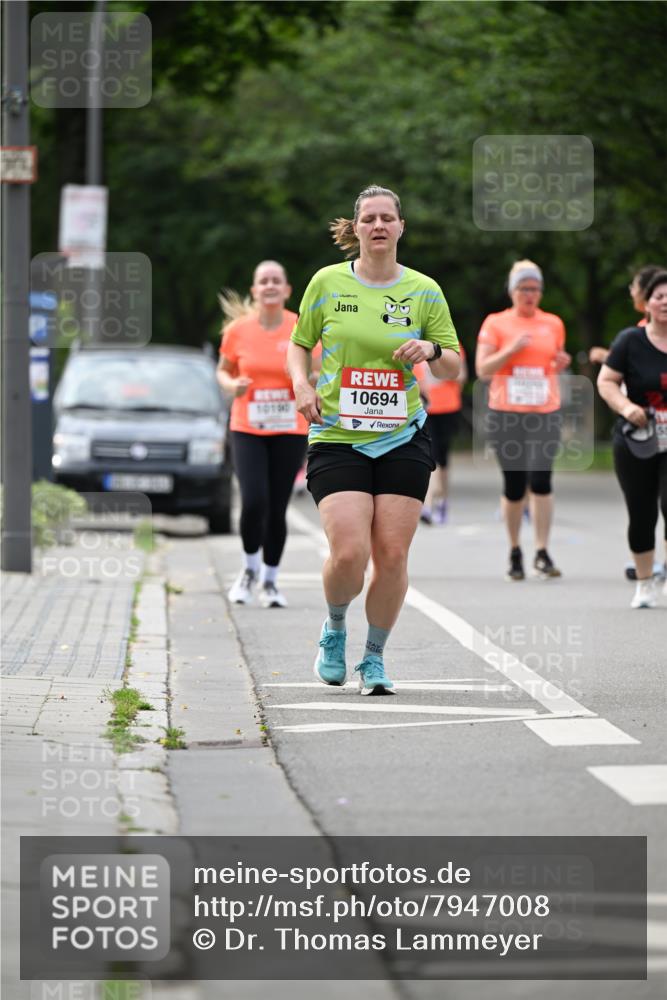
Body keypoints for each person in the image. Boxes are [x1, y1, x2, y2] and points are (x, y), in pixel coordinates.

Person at [286, 185, 460, 694]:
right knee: (349, 554)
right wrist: (301, 383)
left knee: (393, 555)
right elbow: (299, 345)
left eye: (388, 218)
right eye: (370, 218)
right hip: (338, 435)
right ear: (356, 228)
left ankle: (375, 658)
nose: (379, 225)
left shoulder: (425, 290)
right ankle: (335, 629)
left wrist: (429, 347)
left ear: (401, 227)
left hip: (402, 436)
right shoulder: (327, 282)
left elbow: (453, 366)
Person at [217, 261, 309, 608]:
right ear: (254, 291)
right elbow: (223, 370)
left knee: (277, 505)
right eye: (263, 281)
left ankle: (270, 581)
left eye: (276, 281)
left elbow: (318, 368)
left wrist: (309, 383)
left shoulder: (300, 326)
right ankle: (248, 571)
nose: (270, 285)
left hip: (289, 427)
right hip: (247, 427)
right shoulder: (239, 330)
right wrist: (232, 385)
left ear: (286, 290)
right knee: (254, 500)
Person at [475, 260, 571, 581]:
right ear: (512, 291)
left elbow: (552, 361)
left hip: (544, 412)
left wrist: (560, 362)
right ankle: (515, 549)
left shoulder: (553, 323)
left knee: (542, 480)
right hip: (506, 414)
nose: (530, 295)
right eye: (523, 289)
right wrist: (511, 350)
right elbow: (483, 369)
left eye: (535, 289)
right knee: (515, 486)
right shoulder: (496, 323)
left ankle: (542, 551)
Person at [597, 269, 667, 608]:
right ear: (647, 304)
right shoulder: (630, 340)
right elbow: (606, 381)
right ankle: (644, 582)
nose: (665, 302)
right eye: (659, 296)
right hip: (638, 438)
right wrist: (626, 407)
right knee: (641, 512)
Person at [415, 345, 467, 524]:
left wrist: (442, 371)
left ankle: (442, 499)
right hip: (425, 408)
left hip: (448, 407)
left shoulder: (453, 346)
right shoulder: (417, 346)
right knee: (432, 455)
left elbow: (461, 377)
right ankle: (428, 505)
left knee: (443, 459)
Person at [589, 265, 663, 366]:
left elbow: (646, 365)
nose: (632, 292)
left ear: (645, 292)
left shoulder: (650, 329)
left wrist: (607, 357)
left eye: (634, 287)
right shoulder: (643, 325)